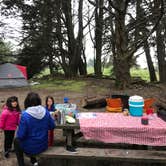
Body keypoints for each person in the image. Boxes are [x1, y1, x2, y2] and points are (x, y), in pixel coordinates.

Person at [14, 92, 55, 166]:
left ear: (27, 102)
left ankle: (21, 164)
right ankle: (33, 160)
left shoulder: (25, 115)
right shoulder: (45, 111)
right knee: (28, 140)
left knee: (16, 141)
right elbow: (52, 126)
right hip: (43, 145)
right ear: (39, 101)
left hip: (31, 148)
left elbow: (21, 135)